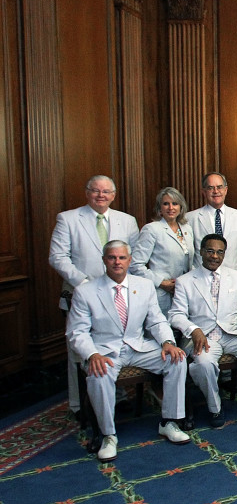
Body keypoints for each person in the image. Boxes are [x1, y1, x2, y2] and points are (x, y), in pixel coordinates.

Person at [66, 240, 189, 462]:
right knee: (98, 373)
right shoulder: (85, 292)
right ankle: (108, 436)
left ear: (129, 260)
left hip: (138, 346)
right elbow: (77, 332)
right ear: (104, 261)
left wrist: (167, 342)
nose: (117, 262)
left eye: (122, 257)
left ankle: (169, 422)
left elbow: (156, 321)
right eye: (112, 257)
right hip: (104, 351)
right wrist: (92, 354)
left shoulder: (143, 286)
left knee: (177, 359)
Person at [169, 234, 237, 433]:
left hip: (232, 333)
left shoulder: (236, 277)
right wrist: (193, 330)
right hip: (203, 337)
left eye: (219, 252)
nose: (214, 256)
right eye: (210, 251)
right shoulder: (186, 281)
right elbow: (176, 315)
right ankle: (215, 408)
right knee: (203, 364)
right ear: (202, 252)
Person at [49, 175, 140, 413]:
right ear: (87, 192)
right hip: (81, 294)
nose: (101, 196)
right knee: (80, 348)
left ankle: (118, 397)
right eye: (95, 191)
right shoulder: (68, 219)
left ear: (114, 195)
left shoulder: (127, 221)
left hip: (119, 293)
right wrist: (86, 284)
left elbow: (134, 257)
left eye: (106, 192)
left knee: (115, 344)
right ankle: (79, 405)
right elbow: (57, 257)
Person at [130, 186, 195, 315]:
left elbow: (190, 260)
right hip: (161, 292)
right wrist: (161, 283)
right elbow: (135, 265)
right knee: (162, 330)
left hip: (183, 291)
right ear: (160, 208)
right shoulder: (152, 229)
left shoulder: (187, 228)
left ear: (181, 207)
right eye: (166, 204)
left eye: (175, 204)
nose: (171, 208)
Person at [186, 172, 237, 272]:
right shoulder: (190, 218)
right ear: (203, 192)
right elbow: (189, 254)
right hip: (201, 277)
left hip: (232, 278)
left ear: (226, 190)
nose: (216, 191)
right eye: (210, 188)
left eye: (219, 187)